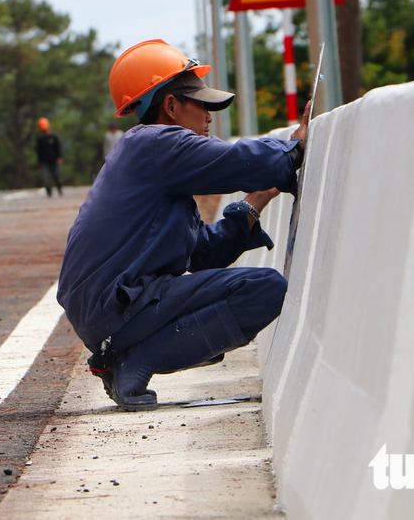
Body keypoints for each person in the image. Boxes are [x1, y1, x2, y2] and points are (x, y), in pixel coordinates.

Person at [57, 39, 308, 411]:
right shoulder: (157, 144)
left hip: (109, 308)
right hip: (116, 306)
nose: (209, 117)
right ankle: (136, 362)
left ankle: (133, 355)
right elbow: (235, 161)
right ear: (171, 106)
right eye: (202, 105)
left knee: (242, 294)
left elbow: (202, 253)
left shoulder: (151, 157)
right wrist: (293, 150)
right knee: (264, 289)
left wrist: (252, 205)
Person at [35, 117, 64, 196]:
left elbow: (58, 148)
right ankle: (49, 192)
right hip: (45, 162)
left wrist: (59, 157)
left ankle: (59, 188)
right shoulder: (40, 139)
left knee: (57, 176)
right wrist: (39, 162)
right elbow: (39, 151)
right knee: (46, 178)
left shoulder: (54, 137)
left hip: (54, 160)